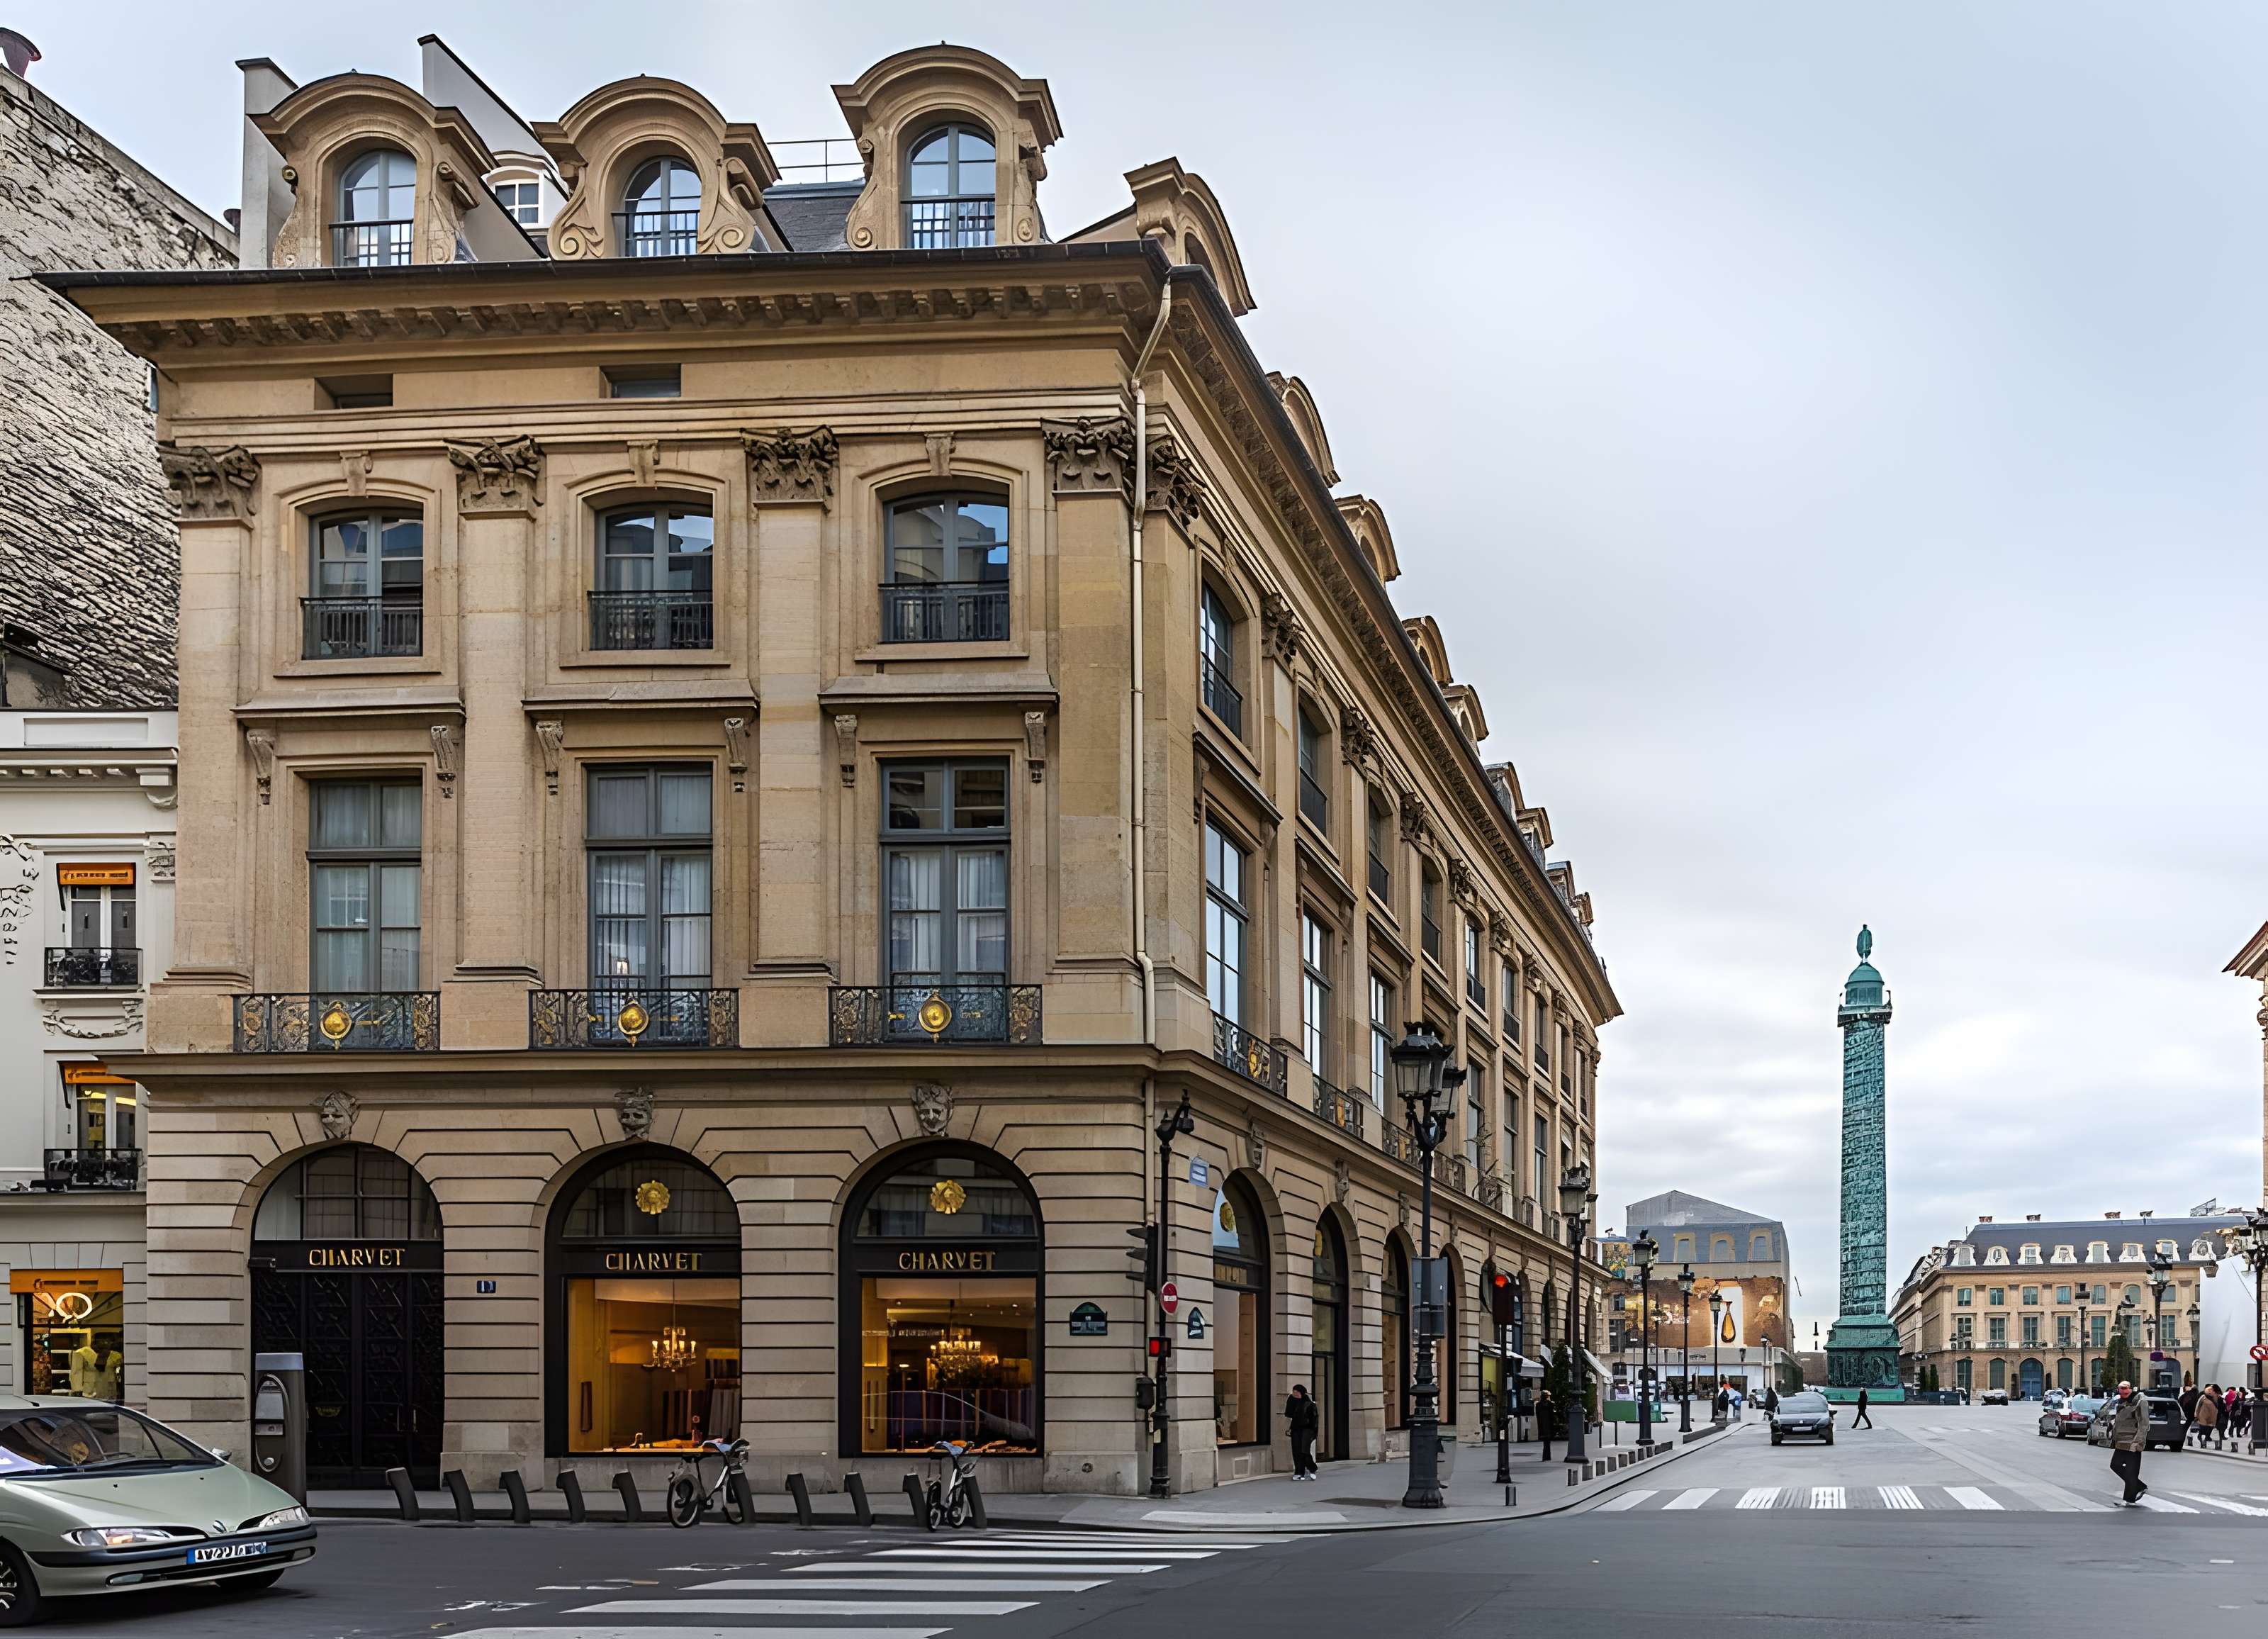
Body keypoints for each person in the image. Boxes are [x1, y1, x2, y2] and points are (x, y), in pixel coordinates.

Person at [2108, 1379, 2149, 1505]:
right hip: (2121, 1441)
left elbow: (2144, 1424)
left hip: (2133, 1441)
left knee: (2131, 1471)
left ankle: (2129, 1499)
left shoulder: (2140, 1402)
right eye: (2121, 1388)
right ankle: (2139, 1486)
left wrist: (2137, 1443)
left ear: (2132, 1389)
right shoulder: (2121, 1402)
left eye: (2126, 1388)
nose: (2123, 1391)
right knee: (2115, 1465)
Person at [1284, 1385, 1319, 1480]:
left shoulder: (1310, 1404)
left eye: (1296, 1392)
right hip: (1296, 1429)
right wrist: (1291, 1400)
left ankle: (1312, 1467)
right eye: (1293, 1392)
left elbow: (1314, 1420)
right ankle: (1299, 1472)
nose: (1294, 1394)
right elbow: (1289, 1414)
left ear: (1301, 1393)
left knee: (1304, 1451)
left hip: (1307, 1430)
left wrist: (1314, 1433)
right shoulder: (1294, 1402)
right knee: (1296, 1451)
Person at [2192, 1383, 2220, 1447]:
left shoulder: (2215, 1397)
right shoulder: (2203, 1397)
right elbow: (2198, 1406)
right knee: (2203, 1429)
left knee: (2210, 1429)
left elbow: (2218, 1405)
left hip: (2212, 1418)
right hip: (2203, 1417)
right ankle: (2201, 1439)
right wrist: (2196, 1415)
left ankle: (2206, 1439)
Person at [1537, 1387, 1556, 1462]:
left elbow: (1538, 1415)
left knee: (1546, 1443)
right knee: (1548, 1443)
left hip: (1542, 1425)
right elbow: (1552, 1415)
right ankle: (1547, 1457)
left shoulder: (1538, 1405)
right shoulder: (1550, 1404)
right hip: (1549, 1425)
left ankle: (1546, 1457)